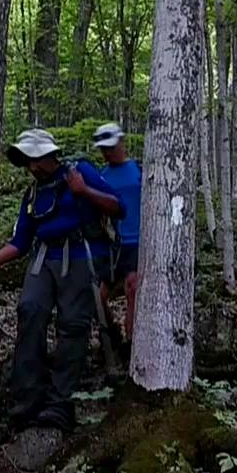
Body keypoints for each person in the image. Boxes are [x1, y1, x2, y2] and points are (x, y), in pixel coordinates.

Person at [0, 129, 123, 431]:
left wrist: (83, 191)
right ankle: (28, 398)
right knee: (30, 310)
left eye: (35, 159)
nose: (32, 167)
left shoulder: (80, 170)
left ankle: (62, 403)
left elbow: (117, 206)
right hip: (44, 258)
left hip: (81, 254)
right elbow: (19, 243)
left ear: (50, 154)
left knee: (73, 324)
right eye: (27, 161)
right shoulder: (33, 194)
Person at [92, 123, 140, 353]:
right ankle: (112, 335)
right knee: (99, 296)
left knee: (133, 287)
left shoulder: (140, 169)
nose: (107, 152)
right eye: (103, 149)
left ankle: (132, 344)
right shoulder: (102, 177)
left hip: (139, 241)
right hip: (116, 244)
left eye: (111, 147)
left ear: (122, 142)